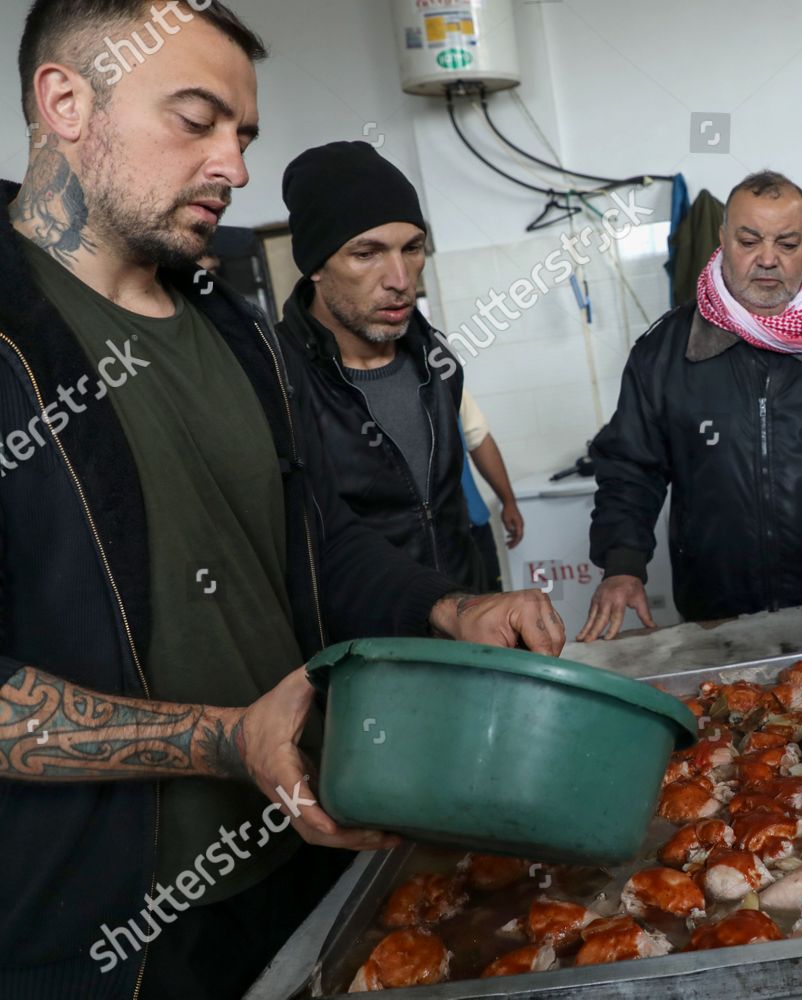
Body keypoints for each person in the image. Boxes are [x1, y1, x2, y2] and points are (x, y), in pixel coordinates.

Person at [1, 3, 563, 996]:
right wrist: (218, 737)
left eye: (245, 134)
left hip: (317, 863)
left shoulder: (241, 330)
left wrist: (451, 605)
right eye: (196, 120)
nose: (236, 167)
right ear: (64, 102)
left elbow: (319, 542)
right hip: (113, 932)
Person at [579, 170, 802, 640]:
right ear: (722, 239)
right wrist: (622, 566)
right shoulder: (664, 352)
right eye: (749, 241)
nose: (767, 259)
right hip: (715, 619)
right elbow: (629, 467)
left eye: (786, 243)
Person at [277, 141, 486, 591]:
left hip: (465, 629)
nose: (399, 279)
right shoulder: (276, 379)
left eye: (412, 249)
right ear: (315, 264)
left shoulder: (437, 362)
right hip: (362, 650)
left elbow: (446, 513)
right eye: (366, 253)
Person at [459, 388, 524, 590]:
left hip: (473, 525)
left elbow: (477, 438)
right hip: (413, 542)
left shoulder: (440, 373)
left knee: (491, 608)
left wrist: (508, 501)